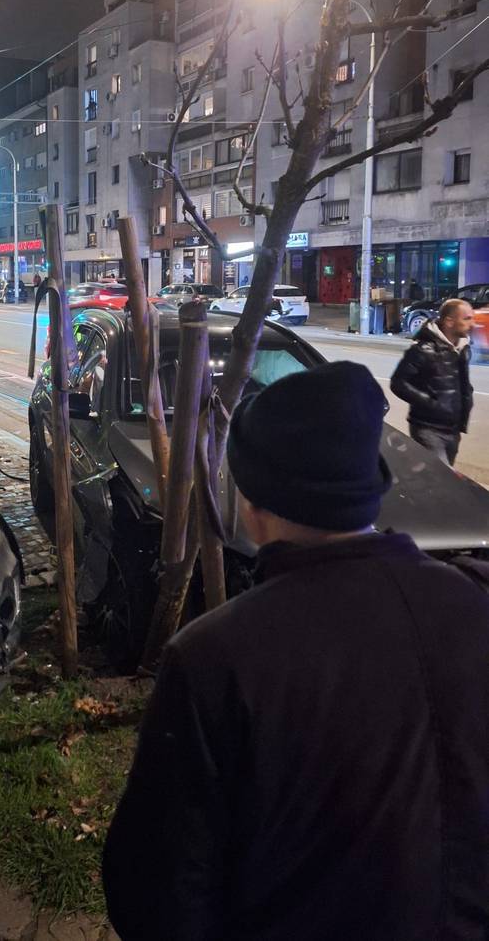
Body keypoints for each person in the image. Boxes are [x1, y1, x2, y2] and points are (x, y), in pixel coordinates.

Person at [103, 360, 489, 941]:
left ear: (253, 504)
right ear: (371, 491)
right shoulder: (470, 607)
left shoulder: (214, 659)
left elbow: (156, 888)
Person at [390, 296, 474, 465]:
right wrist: (431, 403)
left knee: (441, 481)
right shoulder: (422, 350)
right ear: (449, 321)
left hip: (453, 429)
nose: (471, 323)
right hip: (428, 428)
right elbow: (398, 383)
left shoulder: (463, 348)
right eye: (467, 318)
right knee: (440, 481)